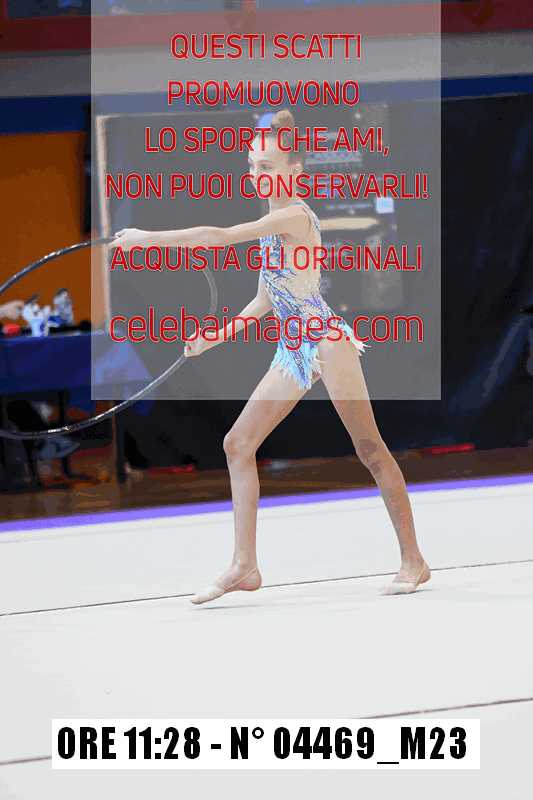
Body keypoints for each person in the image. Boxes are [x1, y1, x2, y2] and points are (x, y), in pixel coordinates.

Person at [111, 109, 431, 602]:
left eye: (267, 166)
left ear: (294, 170)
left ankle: (414, 560)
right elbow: (265, 299)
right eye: (252, 165)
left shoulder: (294, 217)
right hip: (294, 348)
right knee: (237, 444)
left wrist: (146, 240)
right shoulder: (269, 224)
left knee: (370, 449)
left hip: (325, 341)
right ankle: (245, 565)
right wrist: (215, 337)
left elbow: (216, 238)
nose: (257, 174)